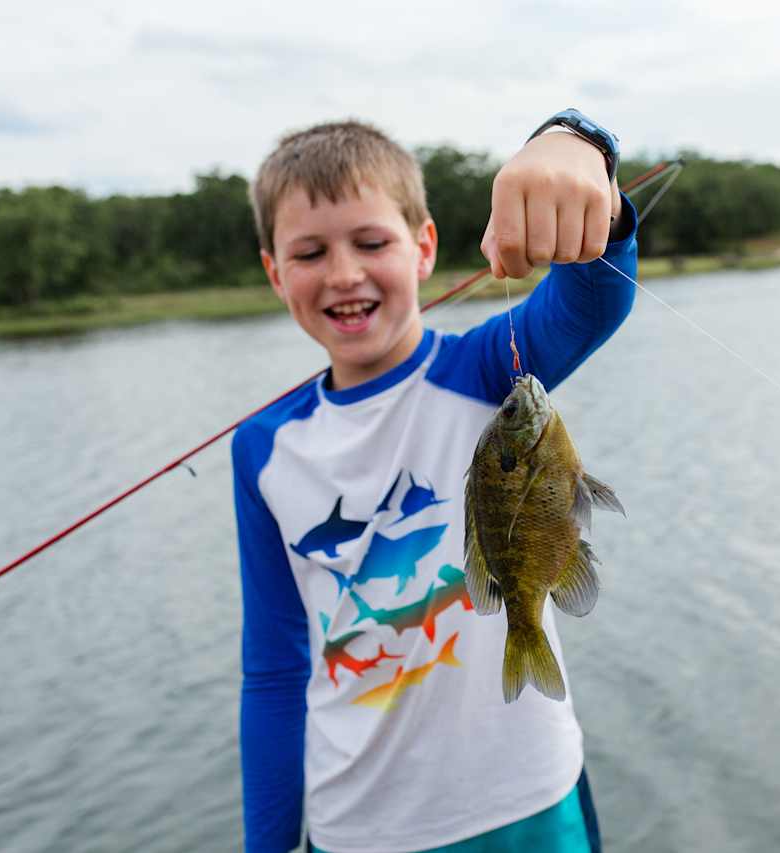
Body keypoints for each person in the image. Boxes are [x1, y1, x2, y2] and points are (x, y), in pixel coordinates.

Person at [233, 110, 638, 853]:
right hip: (356, 824)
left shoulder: (488, 369)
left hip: (528, 800)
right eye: (310, 252)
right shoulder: (262, 448)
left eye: (371, 241)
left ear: (423, 247)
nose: (345, 273)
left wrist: (575, 142)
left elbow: (593, 301)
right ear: (274, 271)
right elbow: (272, 670)